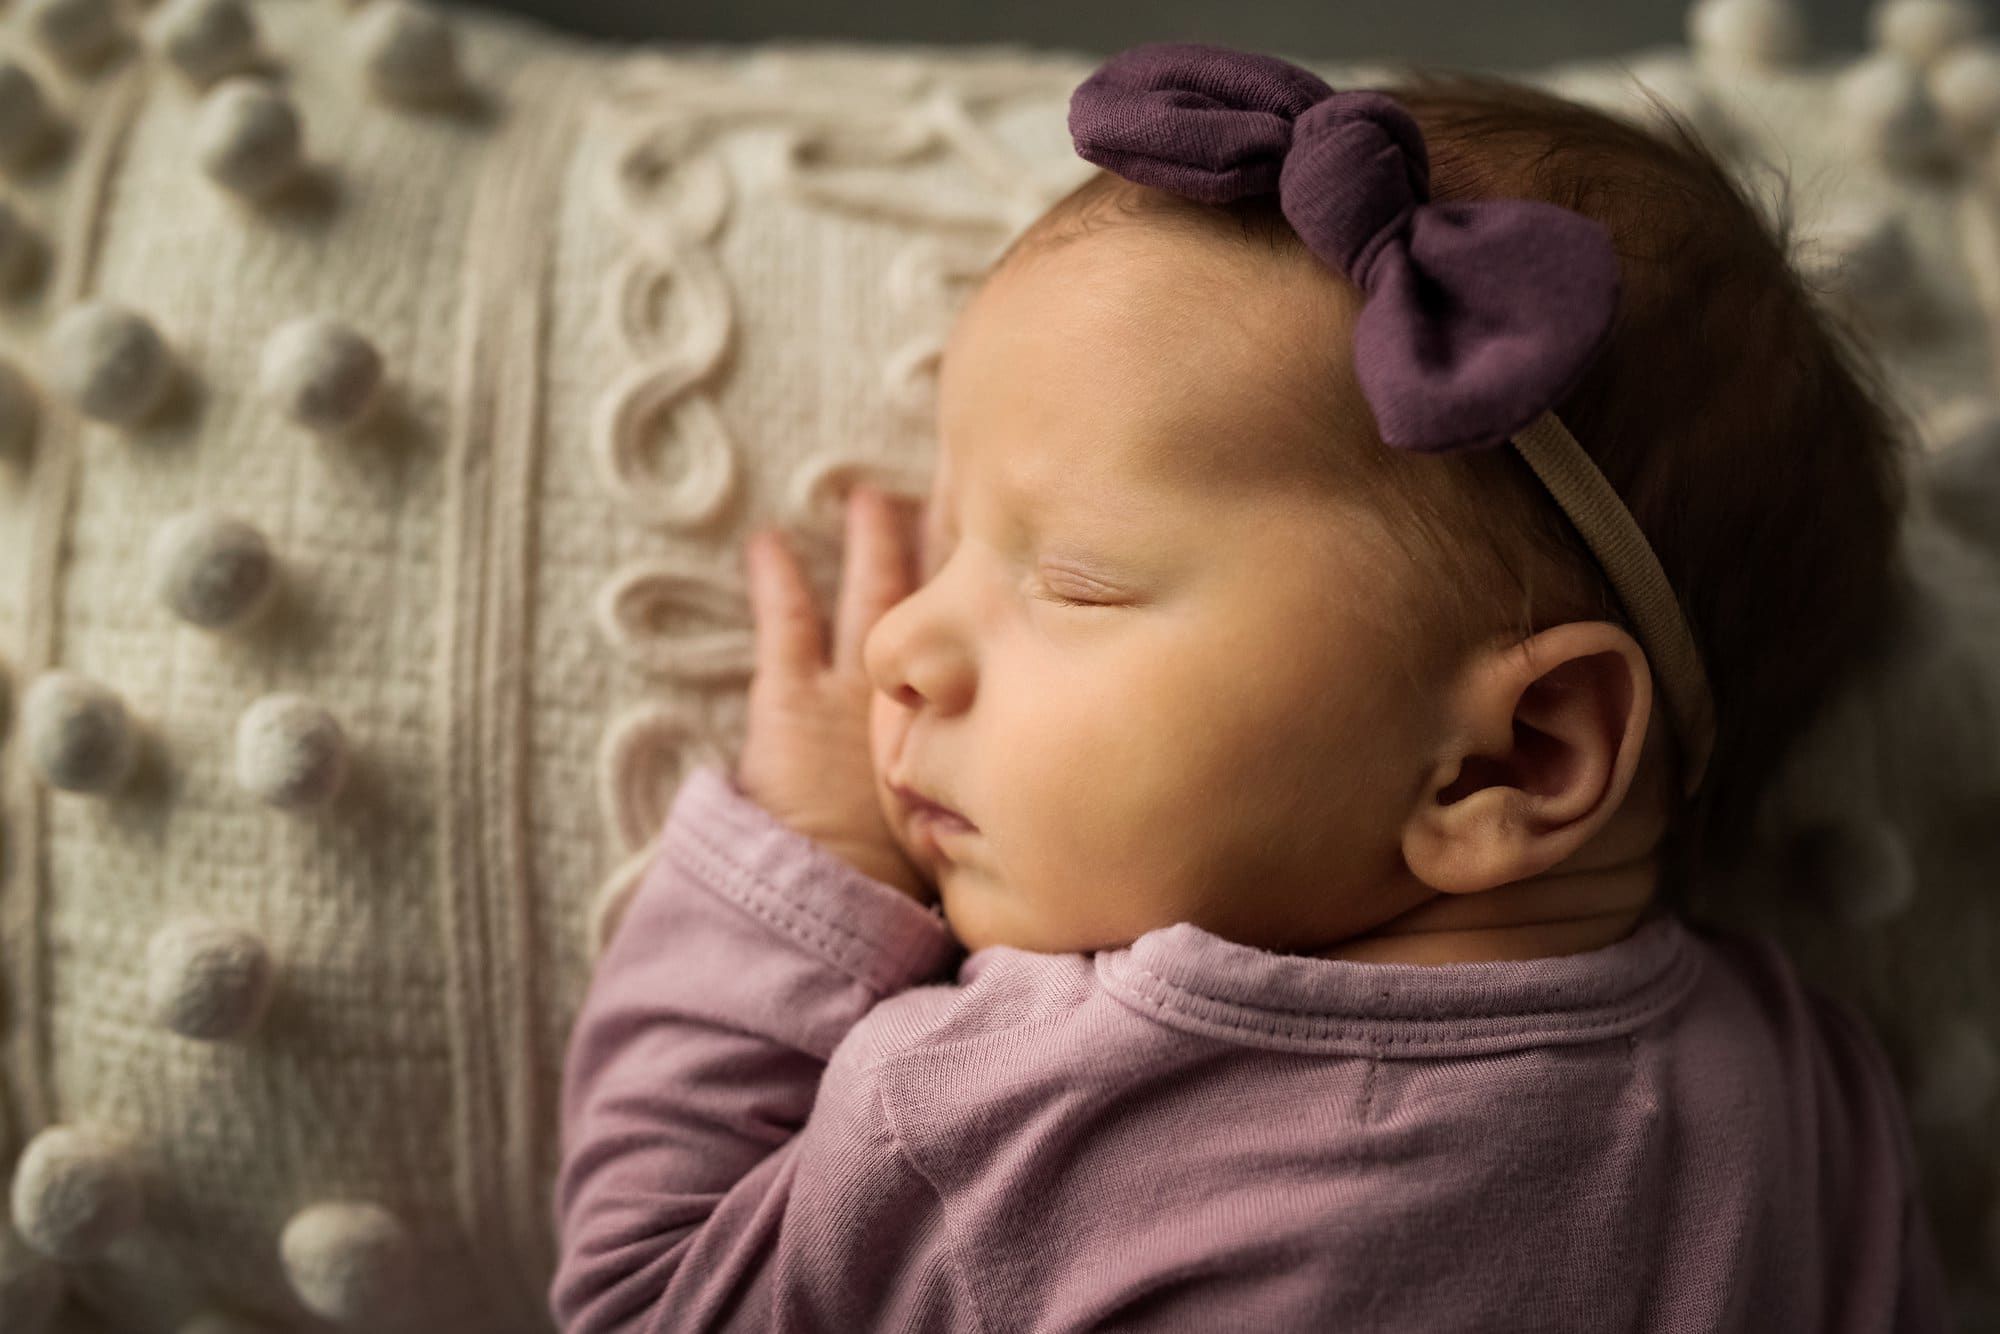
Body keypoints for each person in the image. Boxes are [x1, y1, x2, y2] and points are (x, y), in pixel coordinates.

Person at [549, 40, 1950, 1331]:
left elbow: (643, 1293)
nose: (896, 643)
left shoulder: (1004, 1116)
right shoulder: (1813, 1109)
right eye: (951, 543)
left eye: (1077, 581)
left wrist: (796, 877)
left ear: (1514, 756)